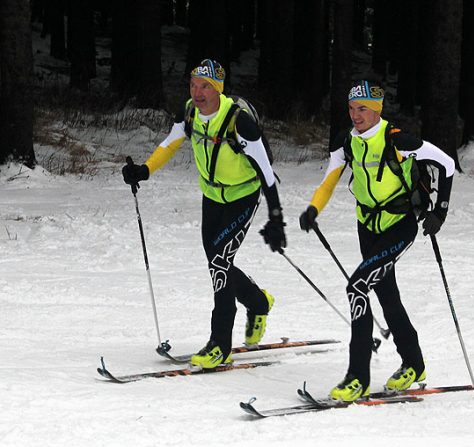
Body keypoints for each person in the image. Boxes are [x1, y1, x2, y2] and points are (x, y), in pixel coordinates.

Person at [122, 59, 286, 369]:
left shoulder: (239, 123)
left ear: (219, 89)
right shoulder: (189, 112)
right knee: (217, 262)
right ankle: (259, 302)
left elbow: (266, 171)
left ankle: (219, 344)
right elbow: (169, 144)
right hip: (212, 196)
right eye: (194, 85)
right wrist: (143, 170)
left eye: (205, 86)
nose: (198, 92)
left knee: (219, 264)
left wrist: (275, 217)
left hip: (242, 196)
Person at [298, 80, 456, 401]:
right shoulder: (347, 142)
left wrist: (440, 210)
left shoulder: (397, 140)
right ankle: (413, 363)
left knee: (356, 285)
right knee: (386, 294)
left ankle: (357, 377)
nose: (355, 115)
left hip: (399, 225)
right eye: (352, 108)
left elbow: (446, 163)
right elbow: (329, 181)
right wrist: (314, 208)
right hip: (367, 226)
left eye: (363, 109)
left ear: (377, 111)